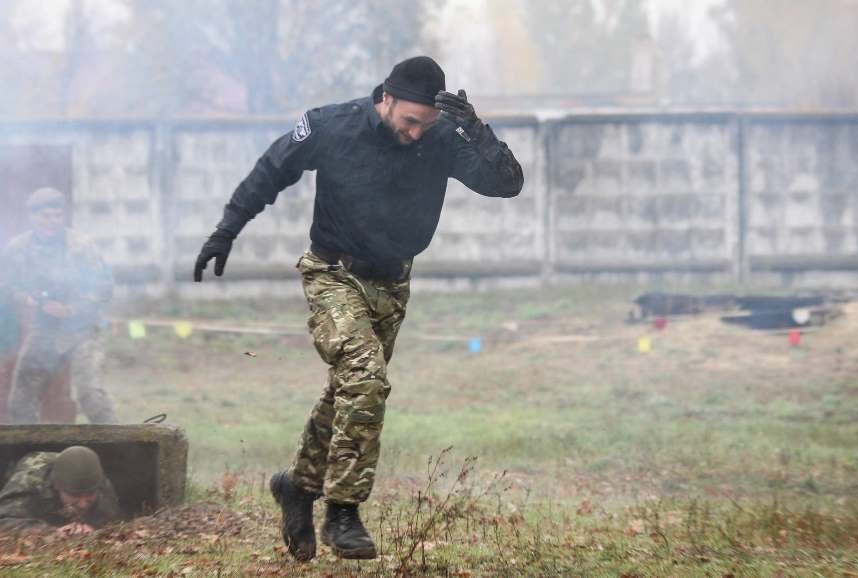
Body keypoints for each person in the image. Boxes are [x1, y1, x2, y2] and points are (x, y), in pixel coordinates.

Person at [194, 55, 523, 561]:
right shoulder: (333, 125)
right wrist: (227, 228)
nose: (415, 133)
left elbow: (506, 182)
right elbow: (271, 169)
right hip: (332, 272)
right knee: (366, 379)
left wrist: (475, 130)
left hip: (393, 283)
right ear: (385, 99)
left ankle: (298, 488)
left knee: (349, 392)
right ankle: (343, 512)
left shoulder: (441, 137)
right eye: (409, 121)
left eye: (425, 124)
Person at [2, 188, 117, 424]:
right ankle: (26, 455)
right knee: (20, 400)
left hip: (85, 330)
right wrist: (28, 299)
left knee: (90, 395)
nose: (50, 222)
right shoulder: (17, 248)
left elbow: (104, 287)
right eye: (44, 216)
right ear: (32, 217)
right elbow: (7, 284)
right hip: (44, 330)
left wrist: (72, 309)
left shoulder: (81, 246)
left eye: (56, 216)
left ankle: (124, 453)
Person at [0, 445, 120, 534]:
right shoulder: (30, 480)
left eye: (90, 494)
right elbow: (4, 520)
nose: (83, 503)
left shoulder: (100, 485)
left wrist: (92, 530)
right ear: (57, 487)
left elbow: (111, 524)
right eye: (75, 495)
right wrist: (49, 532)